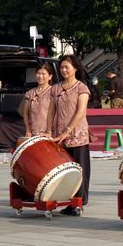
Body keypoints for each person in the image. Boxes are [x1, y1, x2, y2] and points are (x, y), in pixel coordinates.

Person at [45, 55, 91, 215]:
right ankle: (69, 202)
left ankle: (79, 202)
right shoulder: (55, 89)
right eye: (62, 67)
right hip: (59, 137)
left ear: (75, 69)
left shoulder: (81, 87)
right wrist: (49, 131)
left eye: (67, 67)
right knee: (65, 170)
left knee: (80, 170)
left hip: (77, 135)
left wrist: (67, 131)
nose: (64, 70)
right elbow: (51, 112)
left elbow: (81, 112)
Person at [23, 63, 53, 136]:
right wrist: (28, 130)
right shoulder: (30, 93)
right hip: (32, 134)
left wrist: (49, 132)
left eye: (43, 74)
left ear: (50, 76)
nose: (40, 76)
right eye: (38, 73)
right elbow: (25, 113)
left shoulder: (54, 92)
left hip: (48, 134)